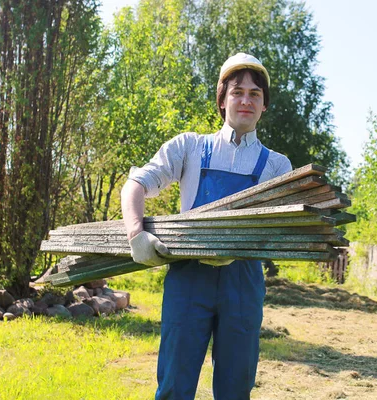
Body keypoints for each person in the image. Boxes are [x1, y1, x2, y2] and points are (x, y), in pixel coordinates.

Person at [120, 53, 292, 400]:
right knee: (174, 386)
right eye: (237, 92)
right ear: (222, 99)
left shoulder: (277, 166)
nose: (245, 100)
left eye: (255, 94)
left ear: (264, 105)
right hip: (188, 280)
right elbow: (135, 184)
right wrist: (136, 233)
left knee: (235, 387)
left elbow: (283, 230)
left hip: (242, 285)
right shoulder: (190, 148)